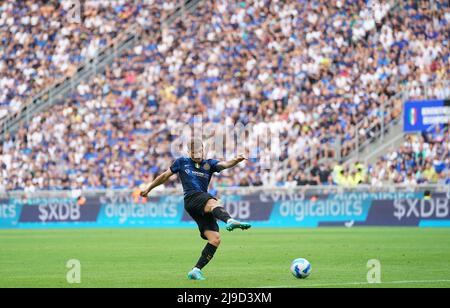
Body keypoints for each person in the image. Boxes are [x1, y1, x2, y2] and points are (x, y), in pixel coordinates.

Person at [139, 138, 251, 280]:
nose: (198, 153)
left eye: (200, 150)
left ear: (203, 150)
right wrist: (148, 188)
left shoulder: (209, 164)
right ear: (189, 152)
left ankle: (196, 270)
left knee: (215, 239)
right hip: (192, 199)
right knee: (213, 202)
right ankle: (229, 220)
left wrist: (235, 160)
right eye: (195, 151)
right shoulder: (182, 162)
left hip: (200, 204)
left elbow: (224, 164)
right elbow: (164, 176)